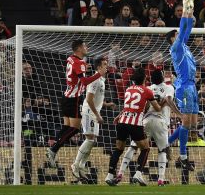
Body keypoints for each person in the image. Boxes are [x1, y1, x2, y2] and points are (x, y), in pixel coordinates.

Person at [112, 69, 182, 186]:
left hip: (146, 120)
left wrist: (120, 115)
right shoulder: (169, 87)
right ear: (162, 77)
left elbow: (145, 106)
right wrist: (179, 114)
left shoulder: (148, 88)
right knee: (162, 150)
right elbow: (169, 100)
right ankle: (160, 179)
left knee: (133, 147)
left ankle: (120, 173)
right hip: (161, 121)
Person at [46, 40, 107, 168]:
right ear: (79, 48)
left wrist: (84, 68)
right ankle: (53, 149)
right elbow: (84, 82)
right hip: (74, 99)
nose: (87, 47)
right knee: (74, 128)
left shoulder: (71, 59)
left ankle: (53, 149)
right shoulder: (79, 62)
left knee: (66, 127)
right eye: (85, 46)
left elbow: (76, 72)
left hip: (65, 96)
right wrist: (98, 75)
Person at [105, 67, 162, 186]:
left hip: (122, 121)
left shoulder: (128, 89)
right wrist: (163, 102)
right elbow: (157, 108)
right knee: (145, 149)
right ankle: (138, 174)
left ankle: (110, 175)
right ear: (145, 79)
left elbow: (128, 106)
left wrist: (119, 115)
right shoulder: (147, 91)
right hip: (135, 124)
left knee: (118, 149)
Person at [165, 0, 197, 171]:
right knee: (185, 122)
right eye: (177, 34)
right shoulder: (175, 48)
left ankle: (166, 143)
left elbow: (188, 25)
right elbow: (183, 26)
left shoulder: (183, 44)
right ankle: (182, 156)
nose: (180, 35)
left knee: (192, 124)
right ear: (172, 39)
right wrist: (185, 6)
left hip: (191, 86)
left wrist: (191, 9)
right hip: (183, 87)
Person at [71, 57, 116, 179]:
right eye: (105, 64)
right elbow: (89, 99)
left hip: (93, 112)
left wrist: (106, 104)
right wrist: (97, 115)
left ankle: (81, 165)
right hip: (89, 112)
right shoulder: (95, 80)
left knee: (92, 140)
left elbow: (96, 98)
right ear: (99, 67)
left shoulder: (101, 80)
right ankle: (76, 164)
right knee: (90, 139)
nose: (107, 66)